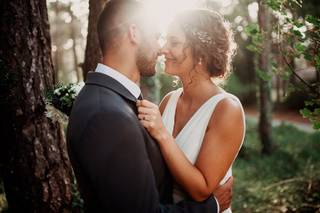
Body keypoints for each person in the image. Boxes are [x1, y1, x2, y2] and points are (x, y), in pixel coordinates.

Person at [67, 1, 232, 212]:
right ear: (134, 33)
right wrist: (211, 206)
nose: (161, 48)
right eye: (156, 36)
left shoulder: (114, 101)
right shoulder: (107, 116)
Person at [137, 9, 245, 213]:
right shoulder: (170, 100)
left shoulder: (226, 109)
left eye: (174, 42)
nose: (163, 49)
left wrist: (161, 134)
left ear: (201, 53)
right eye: (165, 41)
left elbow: (201, 191)